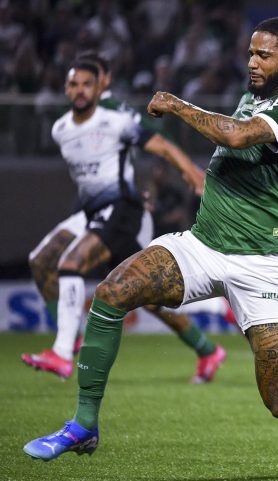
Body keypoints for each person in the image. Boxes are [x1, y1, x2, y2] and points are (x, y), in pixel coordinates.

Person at [23, 17, 278, 461]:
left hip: (260, 260)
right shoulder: (249, 99)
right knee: (111, 293)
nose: (252, 63)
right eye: (250, 54)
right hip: (201, 245)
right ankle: (83, 424)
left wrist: (177, 105)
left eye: (264, 55)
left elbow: (236, 136)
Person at [21, 53, 224, 385]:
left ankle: (64, 349)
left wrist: (183, 176)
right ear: (68, 87)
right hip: (92, 213)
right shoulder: (63, 128)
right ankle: (68, 340)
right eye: (76, 83)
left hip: (123, 210)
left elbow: (156, 143)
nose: (84, 89)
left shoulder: (115, 114)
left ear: (104, 82)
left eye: (92, 81)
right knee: (42, 260)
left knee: (125, 285)